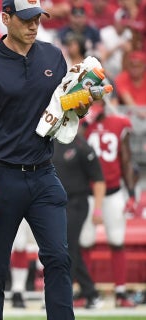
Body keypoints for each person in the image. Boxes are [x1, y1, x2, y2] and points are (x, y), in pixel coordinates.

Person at [0, 0, 93, 318]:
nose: (34, 25)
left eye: (38, 19)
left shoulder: (52, 55)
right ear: (5, 19)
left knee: (59, 259)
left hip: (44, 173)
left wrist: (84, 103)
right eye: (26, 19)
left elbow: (65, 111)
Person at [82, 102, 138, 308]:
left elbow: (126, 159)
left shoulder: (119, 123)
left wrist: (131, 193)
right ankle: (87, 292)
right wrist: (84, 122)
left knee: (117, 240)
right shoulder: (80, 123)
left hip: (113, 190)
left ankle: (121, 293)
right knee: (84, 242)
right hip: (86, 192)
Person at [53, 128, 106, 309]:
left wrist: (98, 210)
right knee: (69, 247)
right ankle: (91, 293)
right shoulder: (51, 143)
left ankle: (61, 295)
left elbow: (98, 179)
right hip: (56, 205)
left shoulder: (82, 146)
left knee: (66, 247)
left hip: (76, 202)